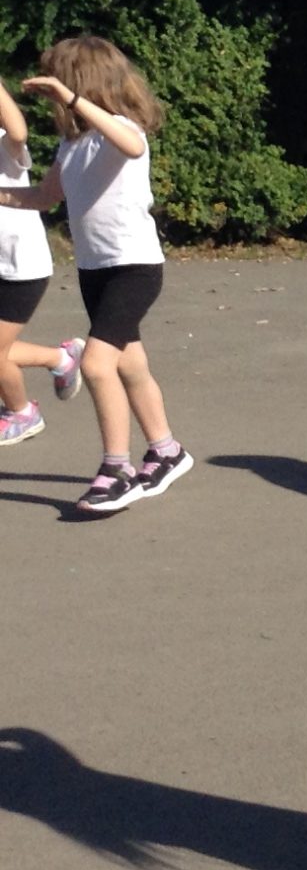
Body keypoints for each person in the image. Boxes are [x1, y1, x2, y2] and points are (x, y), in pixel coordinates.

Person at [0, 38, 187, 513]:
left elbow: (133, 145)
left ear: (79, 84)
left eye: (60, 84)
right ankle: (166, 451)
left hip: (134, 268)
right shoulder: (73, 143)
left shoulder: (121, 129)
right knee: (129, 363)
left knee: (98, 364)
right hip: (94, 270)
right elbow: (43, 197)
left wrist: (70, 98)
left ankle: (116, 469)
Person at [0, 79, 82, 446]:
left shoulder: (5, 143)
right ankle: (59, 359)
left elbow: (18, 130)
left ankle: (21, 413)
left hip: (21, 266)